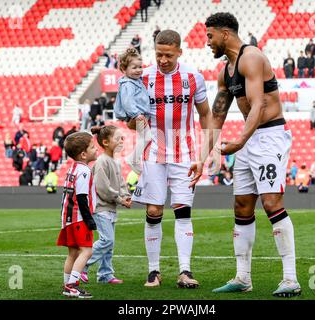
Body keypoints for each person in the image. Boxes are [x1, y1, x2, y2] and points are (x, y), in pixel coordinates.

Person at [205, 12, 301, 297]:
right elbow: (217, 115)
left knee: (271, 203)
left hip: (269, 135)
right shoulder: (225, 71)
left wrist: (239, 142)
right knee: (242, 207)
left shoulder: (252, 57)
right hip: (248, 139)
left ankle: (291, 279)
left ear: (224, 34)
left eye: (210, 36)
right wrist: (204, 155)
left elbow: (258, 105)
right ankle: (243, 278)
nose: (207, 42)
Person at [131, 29, 212, 288]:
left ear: (179, 51)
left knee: (182, 211)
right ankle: (153, 271)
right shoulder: (143, 78)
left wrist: (204, 154)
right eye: (158, 54)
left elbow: (206, 115)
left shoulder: (193, 77)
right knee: (154, 211)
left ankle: (185, 271)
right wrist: (135, 120)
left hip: (185, 153)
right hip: (153, 152)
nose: (163, 59)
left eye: (168, 54)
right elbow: (133, 124)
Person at [80, 125, 131, 285]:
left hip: (110, 208)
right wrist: (120, 199)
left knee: (110, 244)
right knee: (107, 240)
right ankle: (82, 265)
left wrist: (126, 195)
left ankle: (105, 274)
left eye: (122, 138)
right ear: (106, 142)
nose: (121, 141)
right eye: (118, 138)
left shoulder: (114, 161)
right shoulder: (102, 161)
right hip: (101, 208)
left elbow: (121, 182)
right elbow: (102, 188)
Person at [56, 131, 98, 298]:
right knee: (87, 251)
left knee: (73, 253)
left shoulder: (73, 168)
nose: (96, 149)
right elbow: (81, 197)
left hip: (67, 218)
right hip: (78, 218)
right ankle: (72, 285)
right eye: (93, 147)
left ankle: (67, 284)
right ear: (83, 154)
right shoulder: (84, 170)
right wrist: (89, 220)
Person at [114, 47, 152, 175]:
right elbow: (127, 101)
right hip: (136, 115)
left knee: (144, 137)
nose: (138, 70)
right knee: (147, 136)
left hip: (140, 115)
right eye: (134, 68)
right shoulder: (128, 84)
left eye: (140, 67)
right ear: (124, 70)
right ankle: (133, 159)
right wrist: (136, 114)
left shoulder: (135, 81)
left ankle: (135, 158)